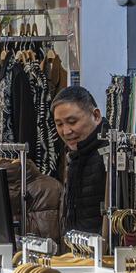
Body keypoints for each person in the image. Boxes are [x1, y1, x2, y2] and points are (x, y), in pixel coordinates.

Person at [52, 86, 107, 234]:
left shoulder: (112, 156)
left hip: (104, 253)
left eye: (72, 121)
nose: (66, 131)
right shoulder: (74, 154)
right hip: (79, 254)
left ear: (96, 116)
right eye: (59, 124)